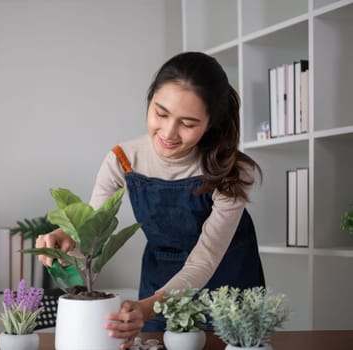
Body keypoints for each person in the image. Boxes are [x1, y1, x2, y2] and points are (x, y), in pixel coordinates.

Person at [35, 51, 265, 349]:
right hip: (160, 278)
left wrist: (149, 307)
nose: (169, 133)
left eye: (188, 123)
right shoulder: (123, 159)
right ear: (149, 101)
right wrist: (65, 238)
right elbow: (93, 231)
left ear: (211, 123)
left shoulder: (234, 171)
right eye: (161, 113)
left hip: (228, 283)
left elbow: (205, 259)